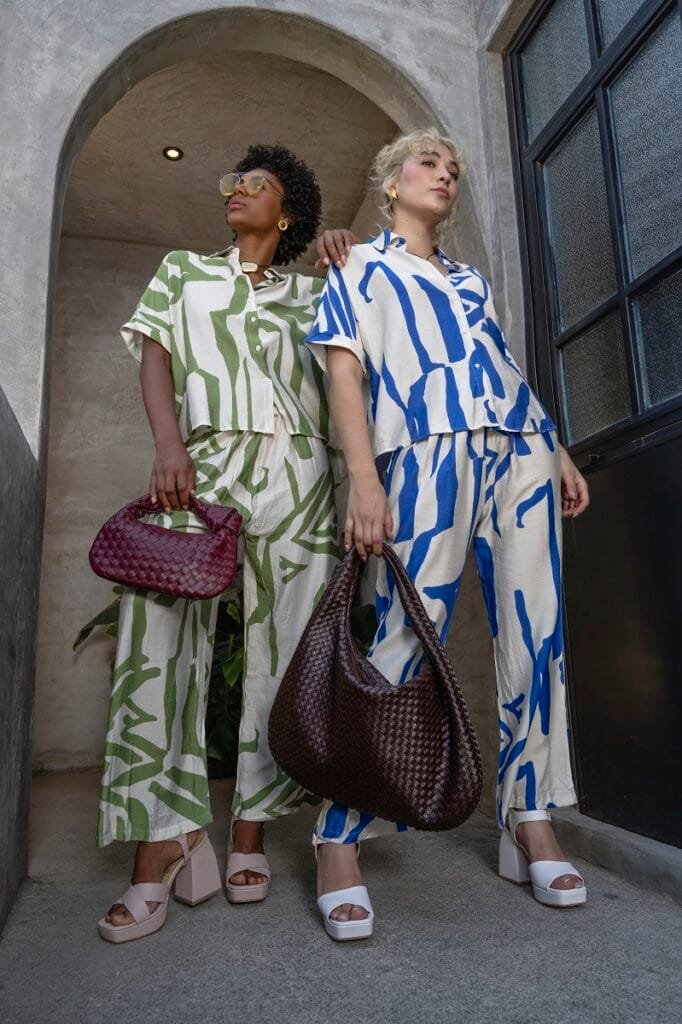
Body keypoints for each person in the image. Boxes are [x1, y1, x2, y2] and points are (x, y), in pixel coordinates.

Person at [306, 128, 590, 942]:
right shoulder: (357, 264)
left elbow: (502, 364)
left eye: (455, 169)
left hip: (520, 449)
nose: (446, 176)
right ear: (390, 183)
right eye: (429, 164)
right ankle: (338, 833)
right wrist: (365, 480)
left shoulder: (471, 282)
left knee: (537, 636)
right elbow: (344, 370)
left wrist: (555, 446)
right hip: (424, 453)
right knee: (406, 632)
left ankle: (529, 817)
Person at [97, 144, 352, 942]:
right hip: (202, 464)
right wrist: (168, 443)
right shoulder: (183, 272)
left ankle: (250, 830)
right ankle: (162, 842)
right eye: (234, 182)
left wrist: (350, 253)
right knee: (159, 641)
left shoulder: (315, 293)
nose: (238, 190)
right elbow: (155, 357)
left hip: (301, 470)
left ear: (289, 211)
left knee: (290, 647)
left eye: (258, 183)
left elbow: (358, 362)